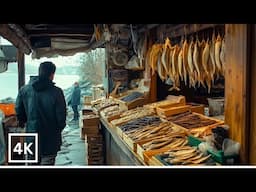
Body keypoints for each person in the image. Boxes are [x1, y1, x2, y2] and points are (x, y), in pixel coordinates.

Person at [15, 61, 66, 165]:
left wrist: (27, 122)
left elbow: (19, 111)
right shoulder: (57, 92)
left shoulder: (24, 90)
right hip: (50, 140)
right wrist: (57, 130)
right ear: (52, 75)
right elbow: (61, 118)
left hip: (31, 137)